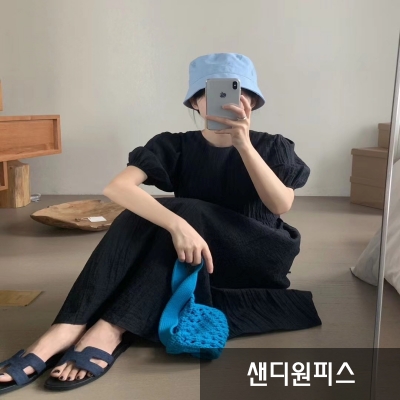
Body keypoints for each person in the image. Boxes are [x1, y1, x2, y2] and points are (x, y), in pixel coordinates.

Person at [0, 53, 321, 394]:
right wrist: (178, 226)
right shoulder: (175, 145)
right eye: (214, 93)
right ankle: (68, 326)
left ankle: (109, 329)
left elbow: (280, 204)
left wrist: (243, 145)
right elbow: (117, 189)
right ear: (195, 102)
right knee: (150, 212)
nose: (230, 100)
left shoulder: (273, 145)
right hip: (197, 255)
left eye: (241, 92)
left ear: (252, 102)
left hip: (256, 255)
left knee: (185, 209)